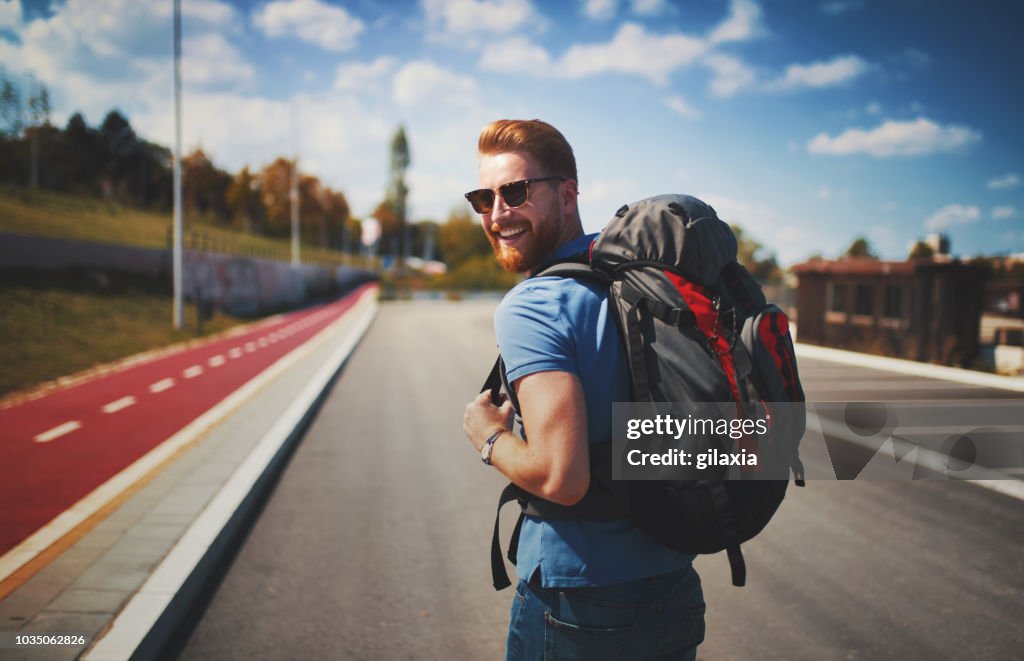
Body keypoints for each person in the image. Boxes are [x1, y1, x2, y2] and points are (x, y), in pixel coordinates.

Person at [462, 119, 706, 660]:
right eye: (484, 197)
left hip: (580, 606)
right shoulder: (640, 279)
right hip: (673, 588)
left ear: (568, 192)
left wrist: (488, 438)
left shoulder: (533, 306)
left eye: (516, 192)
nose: (498, 213)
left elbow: (562, 477)